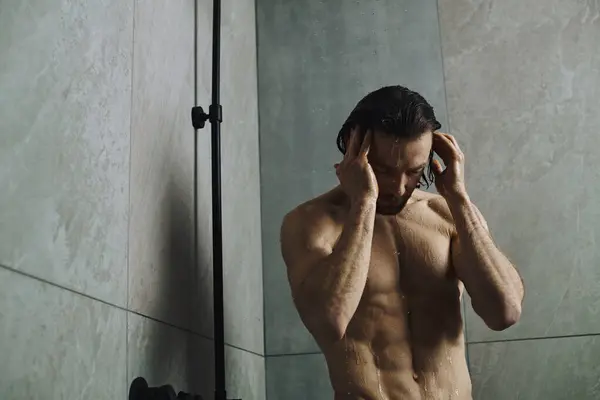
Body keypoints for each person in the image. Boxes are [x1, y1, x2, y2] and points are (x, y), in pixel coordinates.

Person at [280, 86, 525, 400]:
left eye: (414, 171)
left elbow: (504, 312)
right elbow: (328, 322)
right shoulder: (312, 222)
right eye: (383, 170)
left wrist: (459, 199)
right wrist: (365, 203)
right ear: (354, 152)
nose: (398, 187)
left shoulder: (447, 215)